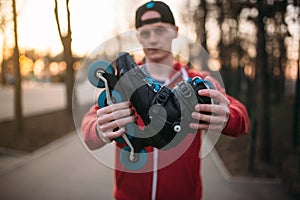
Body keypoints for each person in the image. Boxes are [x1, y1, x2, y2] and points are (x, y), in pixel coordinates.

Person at [81, 1, 249, 199]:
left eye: (160, 30)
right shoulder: (124, 80)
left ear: (175, 31)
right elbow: (90, 123)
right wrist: (100, 129)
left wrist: (229, 117)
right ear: (138, 37)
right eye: (145, 33)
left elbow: (240, 116)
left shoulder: (196, 82)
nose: (153, 39)